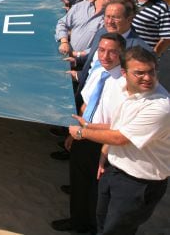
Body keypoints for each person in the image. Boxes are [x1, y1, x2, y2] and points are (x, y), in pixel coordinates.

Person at [69, 47, 169, 235]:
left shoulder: (159, 106)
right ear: (124, 73)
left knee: (116, 230)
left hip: (139, 183)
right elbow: (118, 127)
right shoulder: (126, 91)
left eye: (151, 71)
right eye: (139, 73)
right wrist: (101, 146)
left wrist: (83, 133)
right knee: (102, 224)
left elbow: (120, 137)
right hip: (114, 171)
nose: (147, 78)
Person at [51, 33, 127, 233]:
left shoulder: (124, 84)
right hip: (84, 135)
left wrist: (87, 134)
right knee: (79, 181)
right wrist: (75, 134)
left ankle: (91, 226)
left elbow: (118, 126)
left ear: (122, 53)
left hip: (104, 142)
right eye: (102, 50)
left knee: (97, 191)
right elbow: (86, 104)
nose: (105, 56)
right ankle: (77, 222)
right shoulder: (99, 71)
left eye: (112, 52)